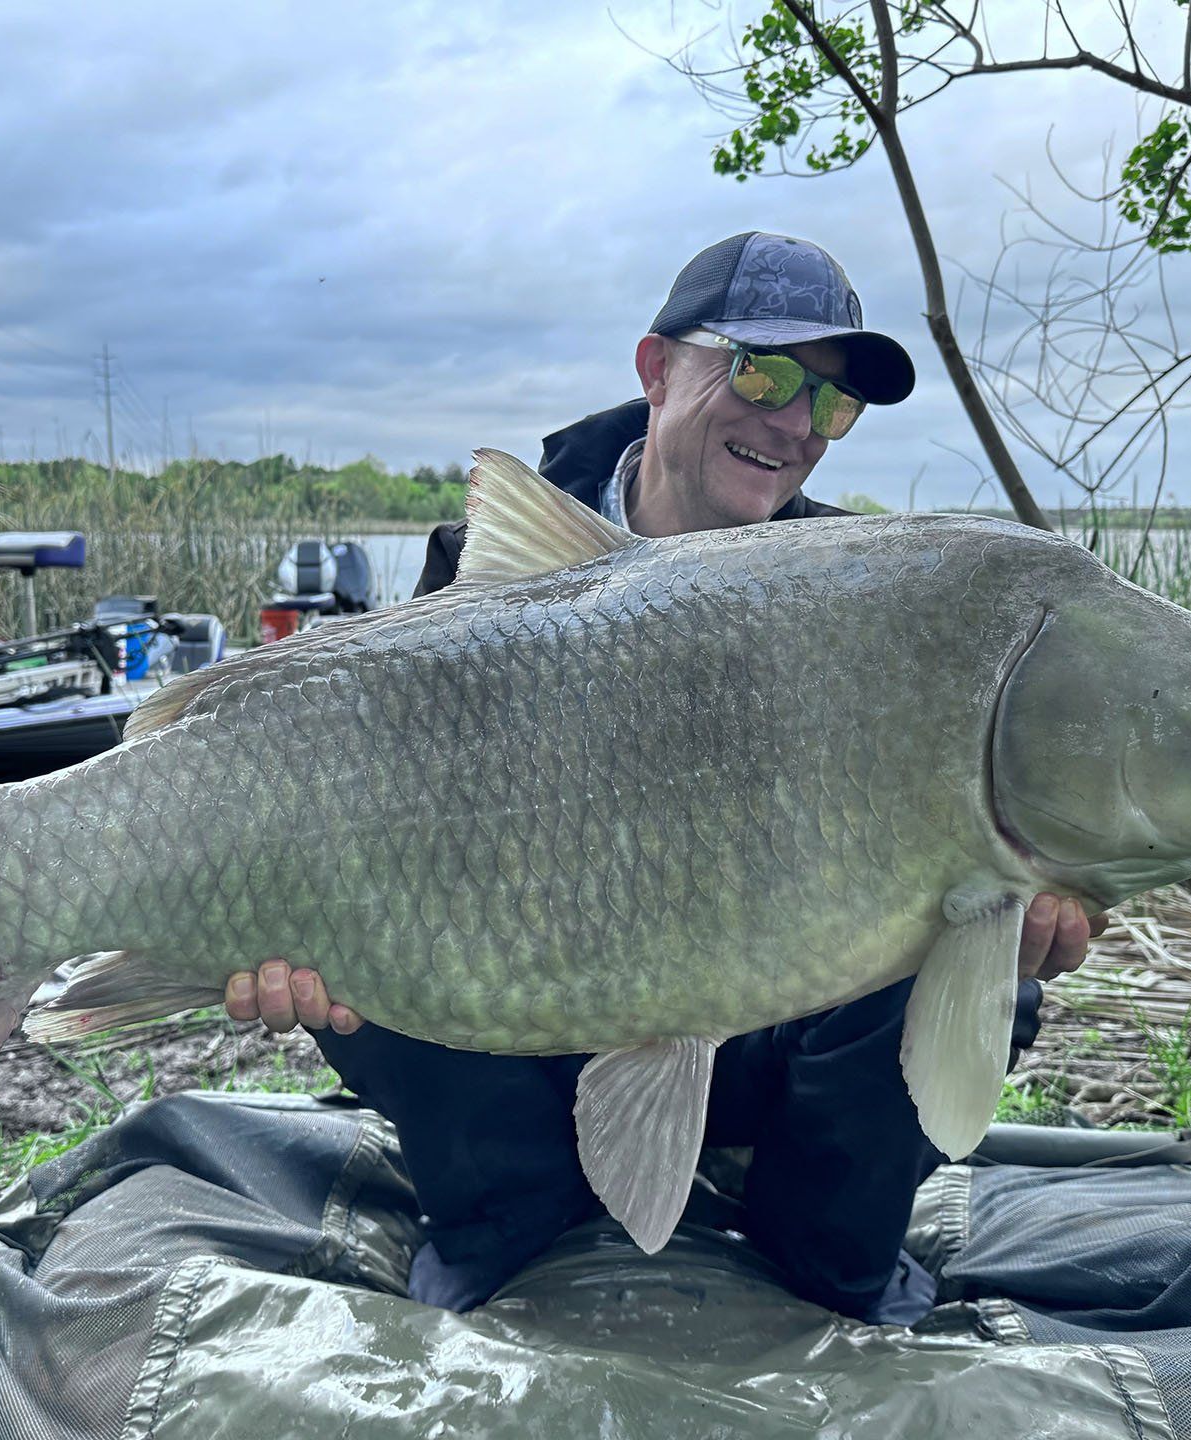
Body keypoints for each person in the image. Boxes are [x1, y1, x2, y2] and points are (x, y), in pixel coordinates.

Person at [222, 232, 1104, 1323]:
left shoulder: (866, 598)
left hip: (764, 1018)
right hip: (536, 1008)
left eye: (830, 403)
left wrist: (1018, 882)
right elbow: (376, 814)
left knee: (985, 942)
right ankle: (513, 1231)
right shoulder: (483, 562)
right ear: (655, 369)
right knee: (357, 936)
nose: (792, 422)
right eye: (762, 370)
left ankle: (823, 1259)